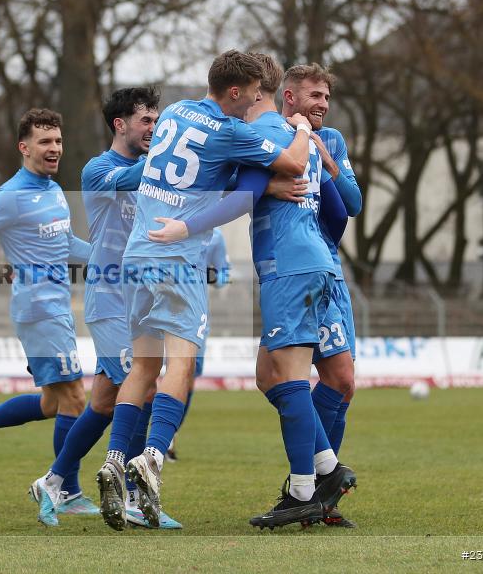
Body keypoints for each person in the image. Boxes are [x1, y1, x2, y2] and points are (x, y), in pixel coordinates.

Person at [96, 49, 314, 531]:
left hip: (137, 253)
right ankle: (151, 458)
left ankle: (115, 457)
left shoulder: (174, 113)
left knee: (143, 365)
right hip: (178, 258)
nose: (255, 104)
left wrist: (261, 189)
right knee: (181, 364)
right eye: (254, 96)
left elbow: (209, 171)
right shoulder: (231, 129)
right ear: (236, 92)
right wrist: (300, 127)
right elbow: (294, 163)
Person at [147, 53, 356, 529]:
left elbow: (239, 198)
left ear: (256, 92)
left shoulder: (262, 136)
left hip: (290, 267)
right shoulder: (294, 136)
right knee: (270, 373)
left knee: (293, 376)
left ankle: (304, 489)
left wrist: (185, 226)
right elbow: (341, 215)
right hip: (313, 263)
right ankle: (327, 467)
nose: (232, 110)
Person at [25, 88, 184, 528]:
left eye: (157, 121)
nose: (154, 129)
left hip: (143, 300)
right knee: (145, 388)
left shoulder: (151, 170)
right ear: (120, 124)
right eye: (147, 121)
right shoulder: (99, 169)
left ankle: (53, 481)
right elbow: (142, 178)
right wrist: (177, 146)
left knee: (103, 403)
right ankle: (134, 495)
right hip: (110, 300)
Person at [0, 108, 95, 515]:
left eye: (58, 141)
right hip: (38, 309)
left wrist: (112, 254)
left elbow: (69, 248)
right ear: (23, 147)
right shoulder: (10, 195)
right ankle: (67, 490)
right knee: (76, 398)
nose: (54, 149)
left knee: (52, 404)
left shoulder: (54, 190)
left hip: (56, 307)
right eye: (45, 142)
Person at [286, 63, 363, 528]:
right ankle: (309, 483)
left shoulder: (331, 139)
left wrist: (327, 159)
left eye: (326, 97)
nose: (322, 104)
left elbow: (352, 202)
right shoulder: (276, 134)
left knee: (344, 386)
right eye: (314, 96)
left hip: (331, 274)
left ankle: (320, 495)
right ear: (289, 97)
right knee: (306, 379)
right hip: (298, 274)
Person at [165, 227, 231, 463]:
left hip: (195, 316)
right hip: (160, 310)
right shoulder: (168, 221)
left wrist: (206, 276)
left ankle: (167, 435)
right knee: (149, 373)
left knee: (187, 375)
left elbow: (224, 276)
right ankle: (148, 438)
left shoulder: (216, 236)